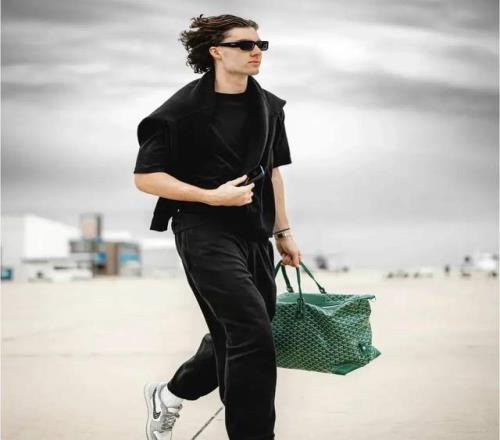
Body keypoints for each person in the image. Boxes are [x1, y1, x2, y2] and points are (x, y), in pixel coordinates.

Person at [134, 13, 301, 440]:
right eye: (244, 45)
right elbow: (146, 177)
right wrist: (210, 196)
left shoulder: (269, 107)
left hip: (254, 232)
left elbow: (273, 173)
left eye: (260, 45)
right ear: (215, 52)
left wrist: (283, 232)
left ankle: (171, 393)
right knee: (251, 332)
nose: (256, 52)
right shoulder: (181, 111)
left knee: (242, 330)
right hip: (203, 229)